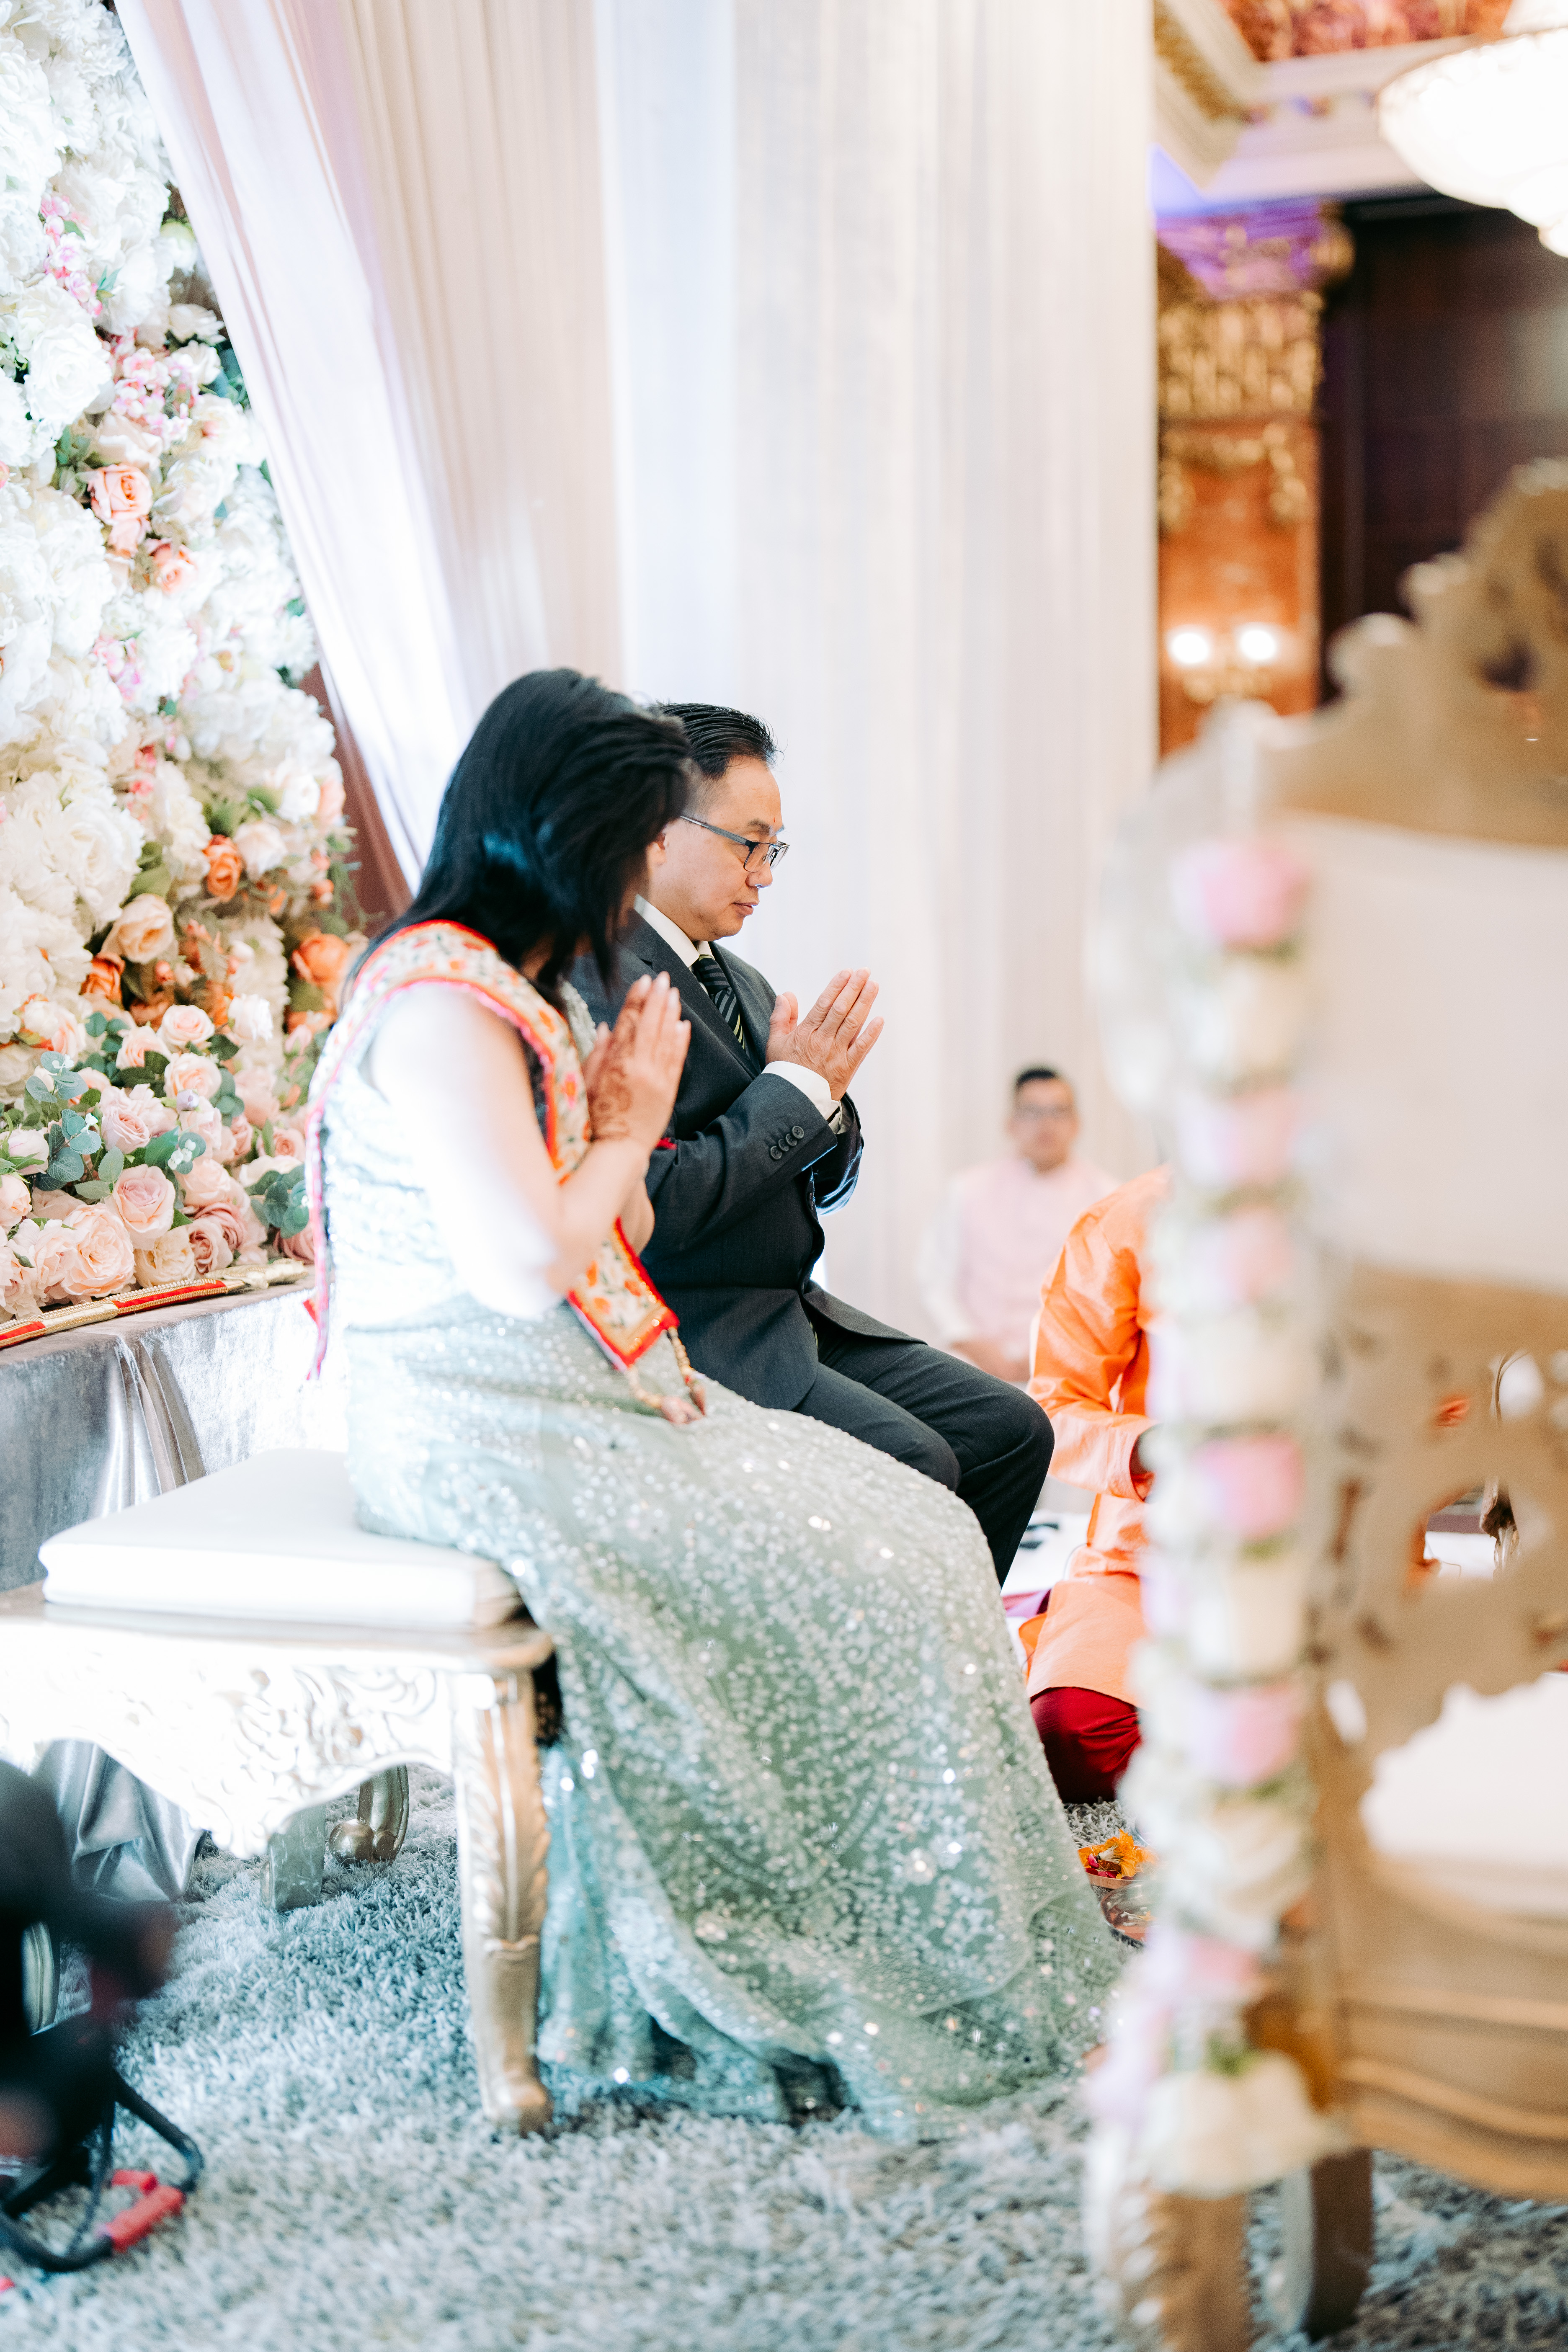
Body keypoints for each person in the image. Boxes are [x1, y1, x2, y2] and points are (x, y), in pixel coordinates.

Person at [311, 669, 1119, 2141]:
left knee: (918, 1520)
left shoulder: (506, 988)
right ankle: (820, 1883)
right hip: (481, 1417)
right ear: (568, 832)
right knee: (880, 1538)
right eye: (634, 839)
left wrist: (649, 1129)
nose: (639, 875)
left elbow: (605, 1220)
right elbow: (528, 1262)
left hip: (570, 1379)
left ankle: (889, 1864)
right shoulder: (441, 1002)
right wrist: (630, 1127)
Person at [571, 704, 1054, 1582]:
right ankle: (887, 1661)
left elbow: (823, 1181)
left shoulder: (743, 980)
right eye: (748, 845)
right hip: (699, 1328)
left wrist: (820, 1102)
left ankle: (947, 1650)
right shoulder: (602, 978)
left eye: (775, 850)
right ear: (657, 829)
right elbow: (657, 1205)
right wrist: (794, 1092)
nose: (763, 875)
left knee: (1011, 1429)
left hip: (793, 1311)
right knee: (915, 1462)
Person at [1020, 1166, 1171, 1805]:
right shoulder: (1131, 1219)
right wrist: (1148, 1448)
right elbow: (1053, 1408)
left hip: (1336, 1562)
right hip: (1154, 1557)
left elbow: (1447, 1411)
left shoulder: (1383, 1214)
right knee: (1073, 1735)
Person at [917, 1068, 1117, 1385]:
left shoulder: (1108, 1199)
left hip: (1070, 1367)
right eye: (1033, 1112)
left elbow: (1110, 1298)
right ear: (1011, 1123)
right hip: (973, 1362)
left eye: (1058, 1112)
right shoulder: (967, 1190)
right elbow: (935, 1281)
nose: (1046, 1124)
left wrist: (1055, 1352)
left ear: (1076, 1123)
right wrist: (974, 1345)